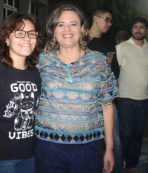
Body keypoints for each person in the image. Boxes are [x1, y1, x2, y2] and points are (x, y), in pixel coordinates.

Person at [35, 4, 118, 173]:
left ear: (82, 28)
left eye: (73, 24)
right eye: (60, 24)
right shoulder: (40, 61)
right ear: (53, 30)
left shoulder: (99, 61)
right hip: (48, 146)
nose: (67, 29)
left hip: (88, 147)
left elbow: (107, 106)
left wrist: (109, 149)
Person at [0, 12, 43, 173]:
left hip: (29, 155)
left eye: (31, 33)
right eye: (19, 33)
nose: (27, 38)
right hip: (1, 158)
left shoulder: (35, 73)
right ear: (6, 38)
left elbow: (35, 113)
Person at [116, 17, 148, 173]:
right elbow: (115, 70)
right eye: (136, 27)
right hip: (125, 97)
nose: (138, 30)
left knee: (138, 133)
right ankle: (119, 164)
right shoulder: (122, 47)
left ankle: (131, 164)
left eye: (142, 27)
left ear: (147, 30)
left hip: (144, 99)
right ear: (132, 29)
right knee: (125, 133)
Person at [88, 7, 122, 173]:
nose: (109, 23)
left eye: (110, 20)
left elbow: (115, 71)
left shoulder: (109, 44)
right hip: (86, 101)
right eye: (106, 19)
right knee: (90, 141)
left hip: (106, 100)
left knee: (115, 140)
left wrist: (108, 67)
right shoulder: (81, 40)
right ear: (96, 18)